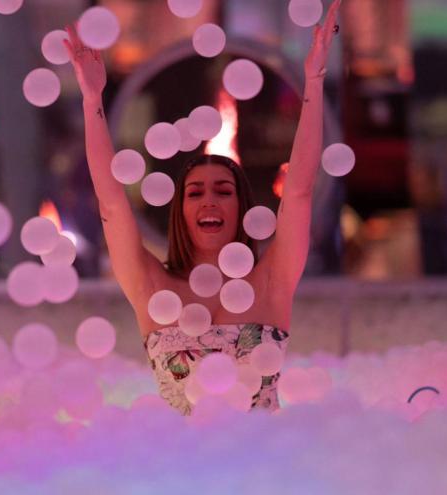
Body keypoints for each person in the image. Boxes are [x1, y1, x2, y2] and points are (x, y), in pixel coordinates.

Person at [65, 0, 341, 414]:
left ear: (241, 207)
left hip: (266, 463)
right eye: (195, 193)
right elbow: (110, 199)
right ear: (179, 211)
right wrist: (92, 100)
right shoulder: (151, 287)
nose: (209, 200)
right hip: (184, 469)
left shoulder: (271, 282)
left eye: (223, 191)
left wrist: (315, 80)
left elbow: (300, 191)